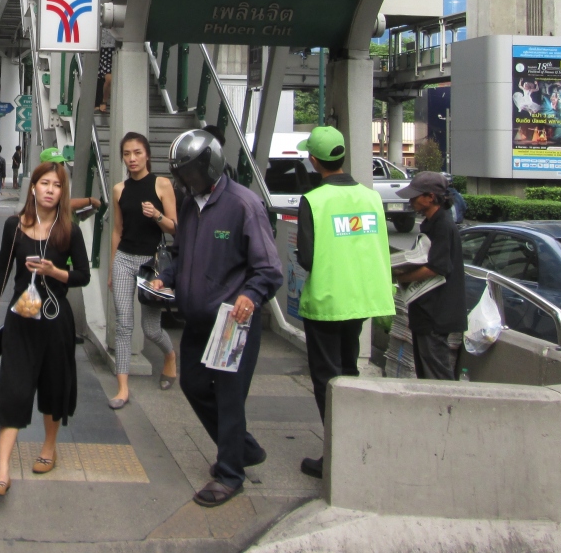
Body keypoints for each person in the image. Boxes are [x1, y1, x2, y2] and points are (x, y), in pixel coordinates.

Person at [151, 130, 283, 508]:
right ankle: (243, 447)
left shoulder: (244, 205)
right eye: (181, 175)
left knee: (228, 397)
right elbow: (181, 254)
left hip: (231, 321)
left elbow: (269, 269)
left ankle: (229, 473)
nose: (185, 182)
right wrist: (166, 277)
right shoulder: (189, 205)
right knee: (193, 385)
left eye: (190, 174)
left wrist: (250, 295)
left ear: (210, 166)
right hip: (196, 319)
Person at [0, 161, 90, 497]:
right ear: (33, 187)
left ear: (62, 191)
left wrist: (55, 272)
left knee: (54, 386)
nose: (50, 190)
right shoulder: (14, 226)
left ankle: (49, 448)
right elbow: (2, 269)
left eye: (57, 185)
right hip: (21, 319)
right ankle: (2, 472)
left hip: (56, 320)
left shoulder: (69, 231)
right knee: (13, 388)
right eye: (45, 183)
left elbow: (83, 275)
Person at [293, 126, 395, 480]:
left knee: (327, 379)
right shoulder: (371, 198)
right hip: (361, 300)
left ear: (314, 160)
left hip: (326, 302)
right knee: (349, 370)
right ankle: (354, 445)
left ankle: (336, 454)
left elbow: (306, 257)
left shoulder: (314, 200)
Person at [108, 132, 178, 407]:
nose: (132, 158)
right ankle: (122, 388)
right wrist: (112, 267)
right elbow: (117, 230)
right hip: (124, 259)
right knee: (124, 325)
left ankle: (169, 355)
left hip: (151, 263)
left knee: (150, 328)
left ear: (147, 155)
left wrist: (157, 215)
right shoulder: (119, 189)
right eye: (127, 154)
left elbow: (175, 228)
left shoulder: (162, 184)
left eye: (137, 152)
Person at [394, 171, 467, 381]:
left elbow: (437, 267)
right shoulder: (430, 222)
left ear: (431, 197)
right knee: (425, 372)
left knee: (436, 375)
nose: (411, 200)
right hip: (424, 310)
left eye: (415, 196)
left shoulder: (443, 224)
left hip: (436, 312)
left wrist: (402, 277)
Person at [96, 28, 116, 112]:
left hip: (115, 46)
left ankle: (102, 102)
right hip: (101, 46)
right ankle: (101, 102)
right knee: (102, 77)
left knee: (106, 77)